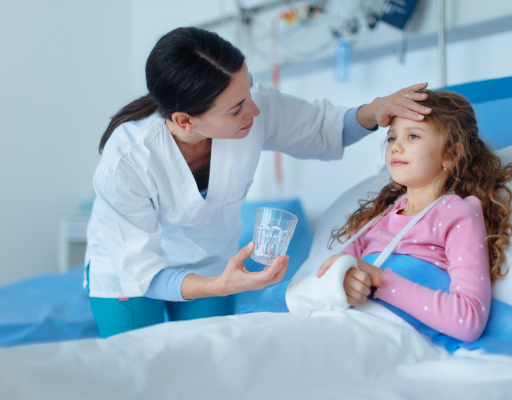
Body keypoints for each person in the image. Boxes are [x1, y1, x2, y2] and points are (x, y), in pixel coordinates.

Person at [85, 26, 433, 338]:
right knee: (135, 373)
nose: (253, 110)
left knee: (207, 373)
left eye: (249, 91)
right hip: (130, 274)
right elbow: (142, 272)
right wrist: (221, 285)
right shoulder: (127, 161)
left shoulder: (252, 105)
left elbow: (325, 129)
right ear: (185, 121)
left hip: (208, 260)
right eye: (236, 109)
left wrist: (374, 110)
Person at [317, 89, 512, 343]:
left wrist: (377, 280)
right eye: (392, 138)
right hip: (342, 325)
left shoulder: (456, 213)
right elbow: (328, 278)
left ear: (451, 155)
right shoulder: (375, 221)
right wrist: (342, 282)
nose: (396, 147)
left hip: (390, 337)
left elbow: (468, 321)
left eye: (413, 136)